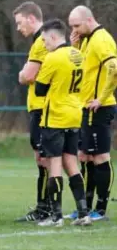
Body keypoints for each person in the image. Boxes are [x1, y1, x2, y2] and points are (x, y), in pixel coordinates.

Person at [34, 19, 92, 227]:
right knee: (71, 162)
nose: (43, 44)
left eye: (44, 40)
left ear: (52, 36)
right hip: (74, 115)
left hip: (56, 116)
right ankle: (83, 212)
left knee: (55, 164)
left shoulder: (53, 58)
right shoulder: (79, 55)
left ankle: (56, 216)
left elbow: (40, 90)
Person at [68, 5, 116, 221]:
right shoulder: (85, 40)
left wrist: (102, 98)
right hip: (85, 108)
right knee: (84, 156)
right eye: (71, 26)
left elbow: (113, 68)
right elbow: (83, 69)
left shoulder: (101, 39)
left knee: (100, 157)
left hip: (100, 107)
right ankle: (84, 208)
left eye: (77, 25)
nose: (74, 29)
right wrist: (74, 47)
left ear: (89, 20)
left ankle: (102, 209)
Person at [12, 1, 51, 222]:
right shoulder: (45, 40)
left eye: (20, 23)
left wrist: (24, 73)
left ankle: (45, 208)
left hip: (42, 108)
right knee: (47, 159)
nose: (18, 28)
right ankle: (45, 206)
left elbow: (26, 76)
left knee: (44, 159)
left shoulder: (41, 42)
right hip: (42, 107)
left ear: (31, 18)